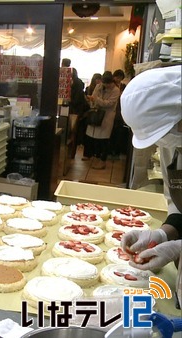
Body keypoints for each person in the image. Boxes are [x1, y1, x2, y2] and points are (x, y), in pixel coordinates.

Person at [119, 65, 181, 307]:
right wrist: (163, 233)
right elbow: (179, 207)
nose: (165, 142)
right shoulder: (172, 145)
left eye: (166, 132)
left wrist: (177, 248)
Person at [82, 71, 120, 169]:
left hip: (107, 117)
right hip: (96, 114)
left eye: (107, 84)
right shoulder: (99, 86)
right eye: (104, 83)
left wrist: (96, 99)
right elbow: (94, 98)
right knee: (93, 137)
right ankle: (94, 156)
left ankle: (102, 160)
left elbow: (109, 104)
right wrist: (92, 100)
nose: (105, 86)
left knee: (104, 140)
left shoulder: (116, 90)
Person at [109, 69, 128, 156]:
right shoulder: (111, 86)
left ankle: (116, 150)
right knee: (111, 131)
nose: (118, 79)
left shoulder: (123, 86)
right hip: (112, 109)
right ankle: (110, 149)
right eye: (117, 77)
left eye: (120, 77)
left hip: (120, 110)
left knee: (118, 131)